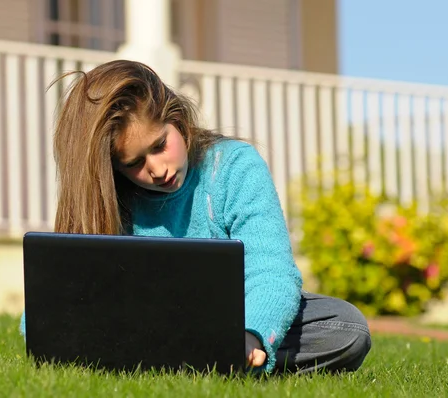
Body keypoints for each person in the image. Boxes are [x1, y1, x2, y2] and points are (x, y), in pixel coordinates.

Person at [19, 60, 371, 374]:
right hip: (147, 325)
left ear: (176, 118)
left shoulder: (234, 167)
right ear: (113, 170)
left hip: (235, 324)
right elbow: (45, 310)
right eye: (134, 163)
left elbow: (271, 269)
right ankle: (194, 359)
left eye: (159, 145)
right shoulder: (110, 200)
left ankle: (177, 358)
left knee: (346, 327)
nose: (157, 169)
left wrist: (251, 334)